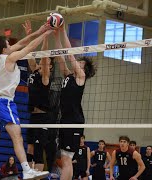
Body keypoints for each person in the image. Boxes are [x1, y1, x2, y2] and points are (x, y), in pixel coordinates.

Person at [0, 21, 53, 180]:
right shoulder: (10, 57)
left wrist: (39, 30)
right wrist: (46, 34)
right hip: (5, 103)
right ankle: (27, 170)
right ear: (5, 48)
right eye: (9, 43)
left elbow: (22, 43)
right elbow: (28, 48)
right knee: (17, 137)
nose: (11, 44)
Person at [53, 23, 97, 180]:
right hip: (65, 120)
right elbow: (60, 56)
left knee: (67, 159)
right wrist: (56, 34)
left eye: (81, 64)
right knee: (65, 158)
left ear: (83, 69)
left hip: (74, 121)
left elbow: (69, 54)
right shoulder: (68, 75)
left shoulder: (81, 77)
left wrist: (63, 29)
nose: (77, 63)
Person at [24, 21, 59, 172]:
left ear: (49, 66)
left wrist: (45, 35)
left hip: (44, 118)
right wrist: (29, 35)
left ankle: (36, 175)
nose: (41, 60)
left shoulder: (45, 76)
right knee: (30, 148)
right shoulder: (33, 71)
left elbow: (44, 56)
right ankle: (29, 174)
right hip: (33, 116)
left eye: (45, 61)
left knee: (38, 150)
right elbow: (30, 52)